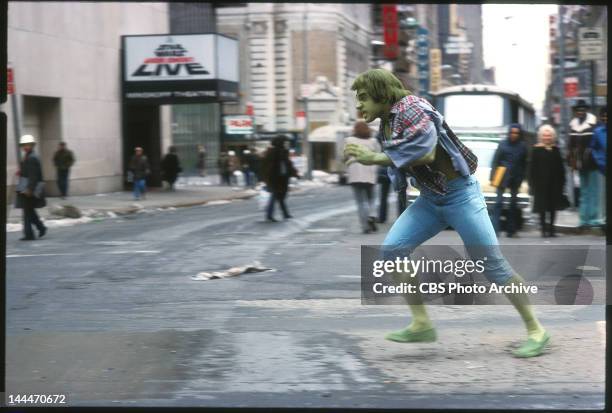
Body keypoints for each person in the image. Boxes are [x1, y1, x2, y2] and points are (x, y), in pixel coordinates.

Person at [344, 68, 549, 358]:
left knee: (492, 265)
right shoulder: (388, 122)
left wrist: (373, 157)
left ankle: (537, 330)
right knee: (391, 253)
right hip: (430, 200)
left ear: (381, 94)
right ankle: (421, 323)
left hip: (460, 197)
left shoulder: (412, 107)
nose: (359, 104)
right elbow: (404, 159)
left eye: (363, 97)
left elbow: (424, 152)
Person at [528, 125, 567, 237]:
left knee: (553, 208)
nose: (547, 137)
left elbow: (561, 168)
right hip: (540, 184)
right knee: (542, 208)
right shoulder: (536, 149)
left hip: (555, 184)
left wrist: (563, 182)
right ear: (541, 136)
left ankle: (552, 229)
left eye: (549, 135)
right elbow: (532, 168)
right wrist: (532, 183)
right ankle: (544, 230)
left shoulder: (556, 149)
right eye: (545, 135)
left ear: (552, 136)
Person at [490, 124, 528, 237]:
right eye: (512, 132)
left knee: (513, 205)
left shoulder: (522, 146)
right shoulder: (502, 144)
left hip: (516, 177)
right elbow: (495, 161)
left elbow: (524, 163)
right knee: (498, 203)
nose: (514, 135)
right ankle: (494, 230)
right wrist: (493, 177)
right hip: (502, 175)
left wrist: (522, 177)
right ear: (509, 133)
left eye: (516, 133)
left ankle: (511, 231)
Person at [344, 120, 381, 233]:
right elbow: (378, 155)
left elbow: (345, 155)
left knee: (361, 201)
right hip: (370, 172)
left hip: (355, 173)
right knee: (372, 198)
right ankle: (372, 215)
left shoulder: (349, 141)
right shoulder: (373, 141)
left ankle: (365, 226)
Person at [567, 99, 599, 226]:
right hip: (579, 164)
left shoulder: (593, 123)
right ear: (575, 111)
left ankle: (592, 219)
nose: (580, 112)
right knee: (583, 192)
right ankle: (583, 219)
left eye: (582, 109)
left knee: (592, 192)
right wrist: (571, 161)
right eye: (578, 110)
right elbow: (571, 145)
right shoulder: (573, 125)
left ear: (586, 110)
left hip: (592, 162)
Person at [15, 135, 47, 241]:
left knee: (27, 212)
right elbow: (29, 172)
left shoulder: (32, 157)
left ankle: (30, 234)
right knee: (29, 211)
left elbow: (33, 176)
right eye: (24, 145)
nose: (25, 147)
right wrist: (21, 171)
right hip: (27, 187)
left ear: (32, 145)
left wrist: (29, 189)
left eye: (27, 145)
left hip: (29, 189)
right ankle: (40, 228)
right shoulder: (29, 155)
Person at [262, 136, 299, 222]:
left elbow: (288, 165)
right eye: (285, 142)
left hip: (282, 178)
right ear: (280, 143)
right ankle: (269, 215)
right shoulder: (273, 152)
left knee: (280, 197)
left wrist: (294, 173)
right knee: (275, 196)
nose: (286, 144)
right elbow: (268, 167)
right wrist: (267, 178)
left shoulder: (283, 152)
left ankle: (284, 214)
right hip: (275, 178)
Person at [591, 106, 607, 226]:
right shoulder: (598, 132)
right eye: (603, 116)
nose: (605, 118)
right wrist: (598, 159)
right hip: (602, 167)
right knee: (602, 194)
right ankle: (602, 218)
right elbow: (593, 148)